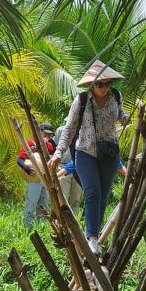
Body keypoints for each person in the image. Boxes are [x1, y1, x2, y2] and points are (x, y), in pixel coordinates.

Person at [48, 61, 130, 255]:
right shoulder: (82, 101)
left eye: (108, 83)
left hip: (110, 153)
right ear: (92, 85)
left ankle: (96, 233)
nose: (104, 88)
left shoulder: (116, 97)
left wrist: (125, 118)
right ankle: (92, 238)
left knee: (102, 196)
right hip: (85, 152)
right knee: (92, 192)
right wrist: (58, 153)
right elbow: (69, 129)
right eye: (100, 84)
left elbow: (121, 115)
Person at [17, 123, 55, 228]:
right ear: (40, 131)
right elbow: (19, 160)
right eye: (46, 134)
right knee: (31, 203)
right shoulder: (30, 143)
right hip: (33, 179)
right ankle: (27, 227)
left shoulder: (49, 145)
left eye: (49, 135)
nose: (48, 136)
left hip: (45, 180)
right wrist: (28, 170)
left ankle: (41, 227)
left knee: (44, 205)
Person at [54, 117, 83, 214]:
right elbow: (56, 148)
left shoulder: (83, 132)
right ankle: (62, 222)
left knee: (76, 199)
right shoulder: (60, 130)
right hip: (63, 167)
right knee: (62, 199)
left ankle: (75, 224)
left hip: (78, 168)